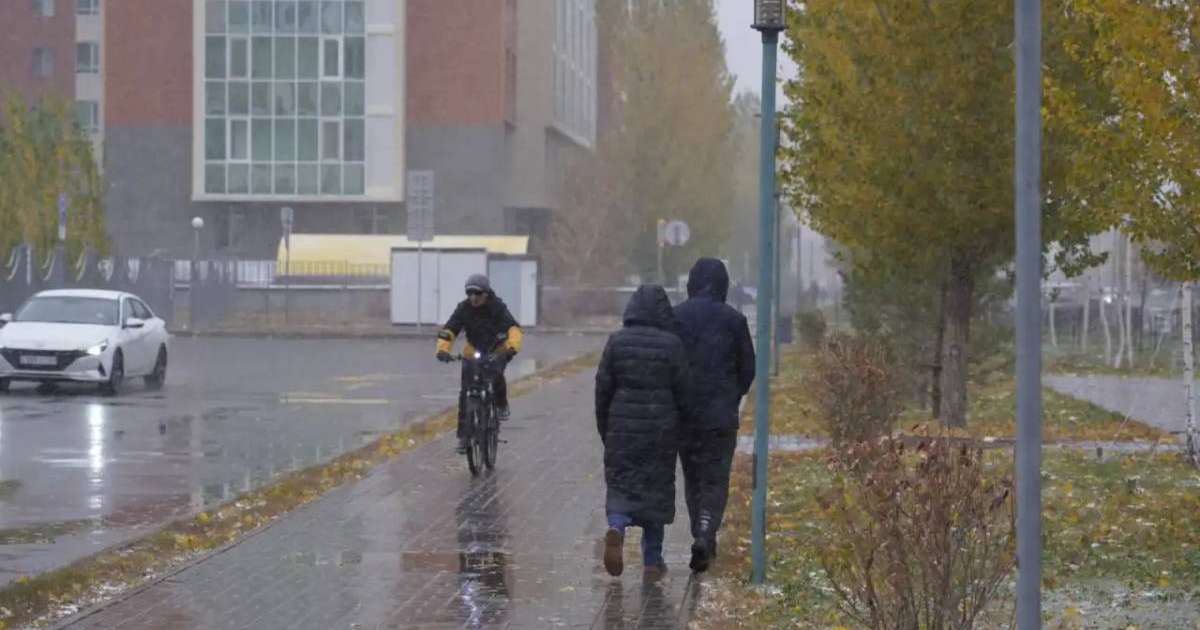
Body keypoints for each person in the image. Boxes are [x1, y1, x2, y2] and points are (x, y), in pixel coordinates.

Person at [595, 285, 690, 580]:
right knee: (655, 492)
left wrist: (606, 430)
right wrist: (680, 431)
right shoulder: (672, 345)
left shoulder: (617, 342)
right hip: (660, 430)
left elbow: (602, 389)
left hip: (622, 430)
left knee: (621, 486)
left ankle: (616, 526)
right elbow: (684, 392)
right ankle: (652, 561)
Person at [673, 257, 755, 572]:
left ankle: (701, 531)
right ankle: (706, 532)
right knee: (715, 478)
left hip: (685, 416)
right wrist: (732, 396)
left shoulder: (676, 317)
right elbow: (748, 368)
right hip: (720, 417)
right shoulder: (734, 320)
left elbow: (669, 363)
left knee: (693, 477)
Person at [436, 274, 523, 454]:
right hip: (474, 350)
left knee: (496, 375)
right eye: (469, 293)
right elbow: (450, 329)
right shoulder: (463, 308)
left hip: (496, 349)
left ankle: (501, 404)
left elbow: (513, 329)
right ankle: (464, 437)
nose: (473, 297)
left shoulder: (497, 307)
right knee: (465, 393)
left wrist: (512, 347)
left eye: (477, 293)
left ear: (486, 293)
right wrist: (442, 350)